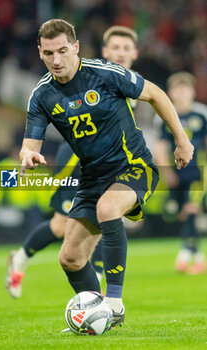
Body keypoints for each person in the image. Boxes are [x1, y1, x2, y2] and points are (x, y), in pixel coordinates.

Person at [16, 19, 193, 327]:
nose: (55, 60)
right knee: (69, 258)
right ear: (40, 52)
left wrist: (182, 139)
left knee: (108, 208)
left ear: (76, 47)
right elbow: (29, 144)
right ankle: (99, 316)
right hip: (91, 179)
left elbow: (157, 95)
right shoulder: (41, 95)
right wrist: (28, 154)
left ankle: (114, 303)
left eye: (62, 51)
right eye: (47, 54)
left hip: (134, 166)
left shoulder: (106, 73)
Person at [6, 25, 140, 298]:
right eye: (115, 47)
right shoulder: (85, 73)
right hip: (78, 160)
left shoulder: (128, 79)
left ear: (134, 53)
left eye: (126, 48)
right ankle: (20, 257)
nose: (121, 53)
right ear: (105, 51)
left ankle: (99, 291)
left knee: (106, 216)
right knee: (61, 223)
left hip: (111, 163)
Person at [155, 72, 207, 274]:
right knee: (179, 214)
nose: (182, 94)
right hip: (177, 175)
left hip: (198, 175)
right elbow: (160, 148)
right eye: (178, 90)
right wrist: (167, 172)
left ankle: (186, 255)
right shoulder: (165, 117)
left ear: (193, 92)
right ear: (171, 93)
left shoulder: (201, 114)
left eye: (186, 89)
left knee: (191, 210)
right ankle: (197, 255)